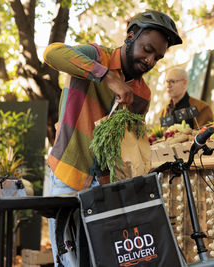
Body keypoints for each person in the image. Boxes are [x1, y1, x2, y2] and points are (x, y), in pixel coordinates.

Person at [43, 10, 182, 266]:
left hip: (107, 187)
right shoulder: (96, 56)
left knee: (103, 260)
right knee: (68, 261)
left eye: (157, 57)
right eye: (147, 49)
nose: (150, 61)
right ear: (131, 36)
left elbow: (127, 146)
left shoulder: (143, 95)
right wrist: (107, 77)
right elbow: (52, 53)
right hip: (67, 175)